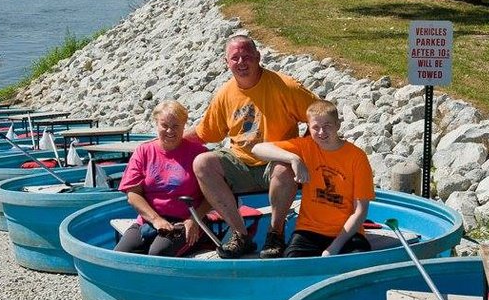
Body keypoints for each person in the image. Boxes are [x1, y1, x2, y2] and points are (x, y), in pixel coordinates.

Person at [187, 34, 316, 259]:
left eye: (247, 56)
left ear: (258, 57)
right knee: (202, 163)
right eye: (235, 58)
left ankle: (275, 234)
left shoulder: (285, 86)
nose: (241, 62)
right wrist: (168, 139)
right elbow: (205, 133)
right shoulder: (225, 93)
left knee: (284, 168)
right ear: (226, 62)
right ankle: (240, 234)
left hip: (274, 162)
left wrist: (302, 149)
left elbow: (320, 116)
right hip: (241, 163)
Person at [252, 100, 375, 258]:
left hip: (346, 232)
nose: (321, 132)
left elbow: (360, 211)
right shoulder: (306, 146)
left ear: (337, 125)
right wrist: (293, 159)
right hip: (309, 230)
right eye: (315, 127)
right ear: (309, 128)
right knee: (292, 262)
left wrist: (333, 248)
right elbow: (258, 149)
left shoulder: (357, 157)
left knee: (356, 260)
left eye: (327, 126)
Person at [114, 100, 211, 257]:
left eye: (175, 126)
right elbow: (132, 194)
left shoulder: (199, 153)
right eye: (164, 125)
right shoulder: (144, 151)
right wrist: (155, 219)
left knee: (158, 253)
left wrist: (194, 219)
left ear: (184, 125)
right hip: (150, 220)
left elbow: (213, 195)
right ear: (156, 124)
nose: (169, 131)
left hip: (186, 221)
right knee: (120, 255)